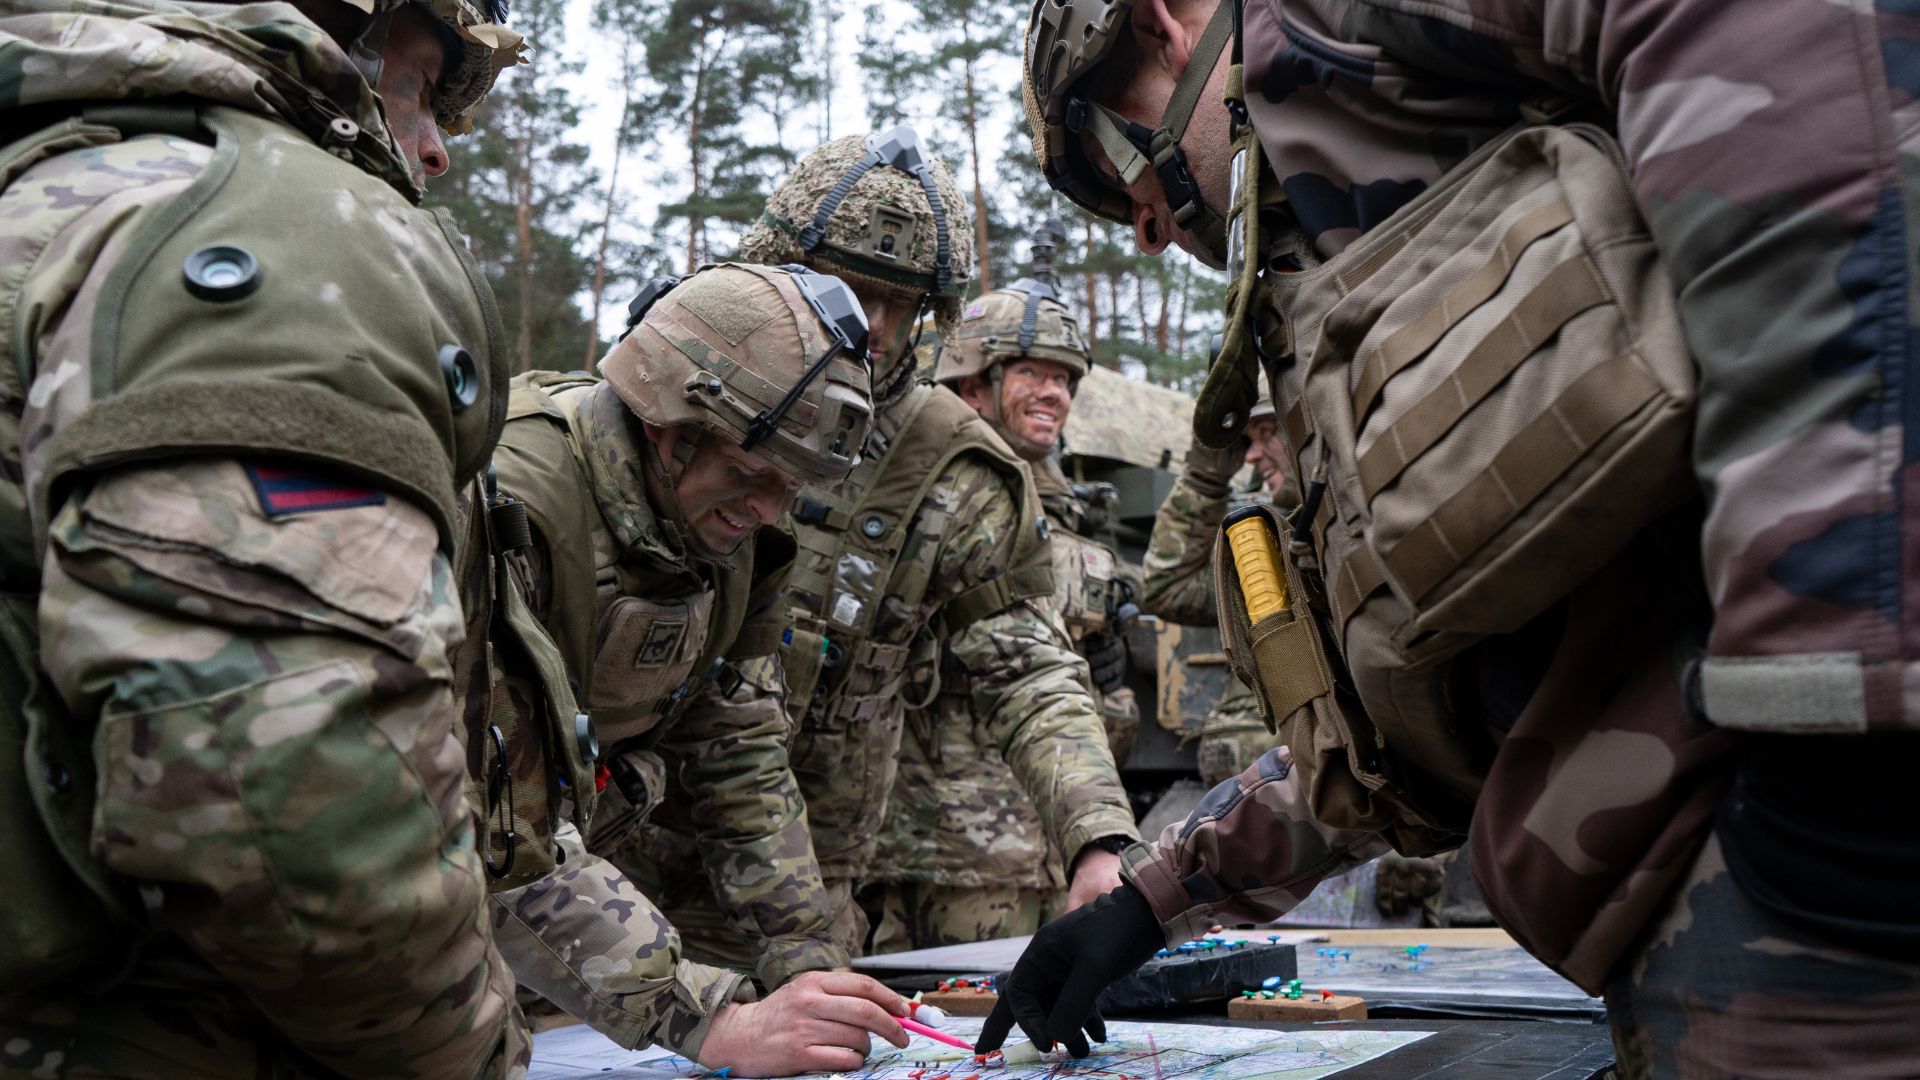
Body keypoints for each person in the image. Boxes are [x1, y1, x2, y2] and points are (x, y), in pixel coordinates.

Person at [983, 0, 1920, 1072]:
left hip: (1829, 897)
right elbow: (1405, 707)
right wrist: (1157, 898)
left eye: (1114, 158)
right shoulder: (1353, 275)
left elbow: (1786, 34)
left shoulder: (1322, 24)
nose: (1144, 221)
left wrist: (1851, 748)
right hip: (1719, 915)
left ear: (1163, 24)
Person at [0, 0, 531, 1074]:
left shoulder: (46, 179)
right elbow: (288, 798)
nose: (432, 147)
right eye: (420, 88)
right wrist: (470, 1058)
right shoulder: (267, 227)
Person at [623, 125, 1141, 964]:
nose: (867, 327)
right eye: (843, 289)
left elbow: (1029, 666)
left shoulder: (955, 466)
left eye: (898, 304)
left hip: (805, 876)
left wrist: (1096, 834)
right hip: (621, 846)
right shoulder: (683, 370)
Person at [460, 261, 913, 1076]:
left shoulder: (734, 546)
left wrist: (805, 960)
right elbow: (499, 834)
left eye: (794, 486)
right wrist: (715, 1022)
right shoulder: (508, 514)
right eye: (753, 473)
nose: (771, 509)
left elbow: (738, 753)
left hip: (570, 902)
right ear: (669, 429)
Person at [862, 222, 1141, 951]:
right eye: (1033, 373)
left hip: (1057, 840)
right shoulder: (916, 493)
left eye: (1065, 378)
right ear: (974, 382)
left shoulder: (1067, 507)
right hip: (955, 845)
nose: (1054, 392)